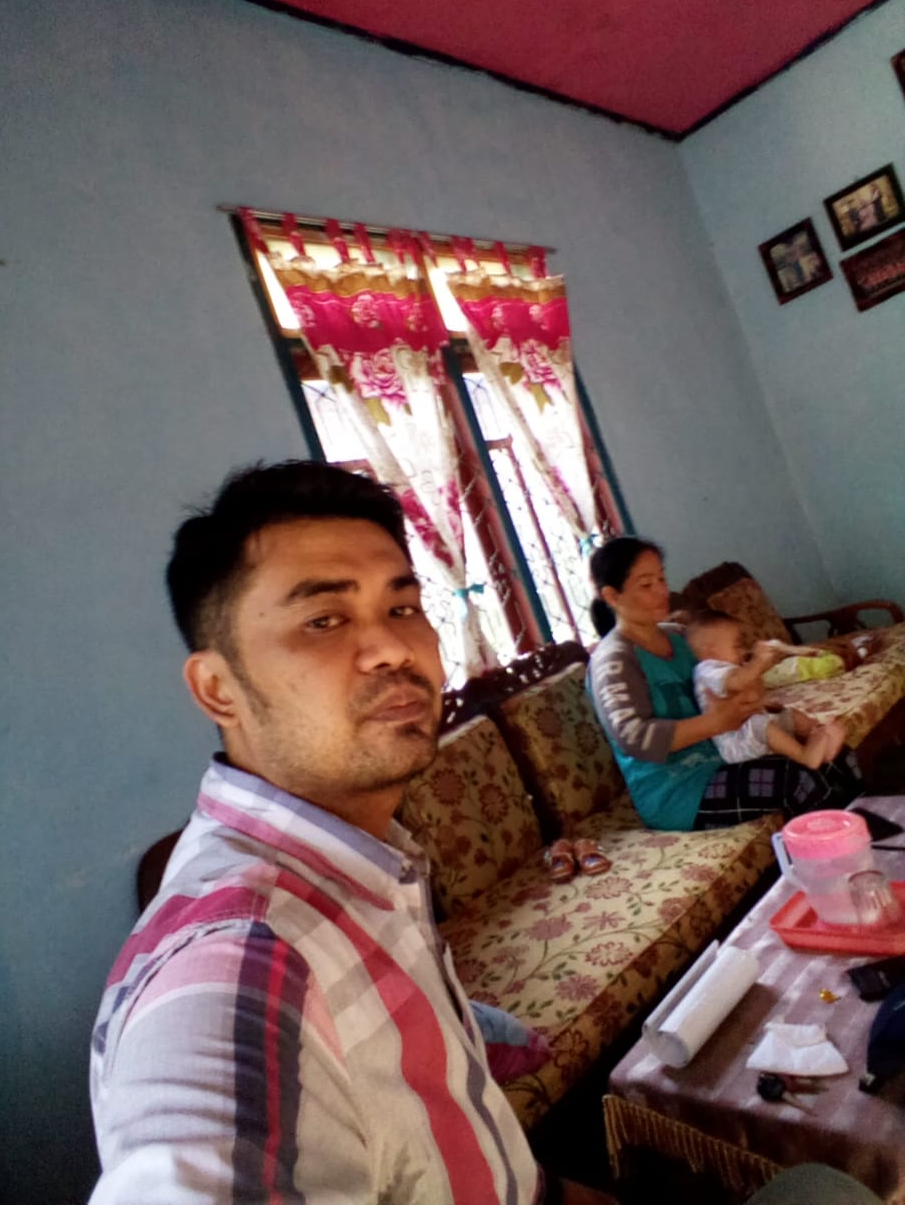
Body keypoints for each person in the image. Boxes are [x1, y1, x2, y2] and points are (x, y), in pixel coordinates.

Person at [89, 460, 614, 1204]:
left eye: (402, 607)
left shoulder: (368, 864)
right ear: (218, 688)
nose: (392, 648)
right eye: (324, 621)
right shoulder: (239, 960)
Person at [586, 537, 860, 831]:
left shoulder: (681, 636)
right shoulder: (613, 661)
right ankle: (841, 854)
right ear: (612, 596)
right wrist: (716, 722)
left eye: (661, 579)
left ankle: (873, 840)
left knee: (838, 755)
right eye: (646, 585)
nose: (662, 591)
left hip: (726, 753)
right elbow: (636, 738)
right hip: (678, 789)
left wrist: (754, 694)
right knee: (798, 778)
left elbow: (731, 675)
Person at [686, 609, 846, 769]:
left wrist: (764, 679)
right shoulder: (707, 669)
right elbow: (736, 683)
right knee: (760, 723)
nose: (742, 651)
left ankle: (819, 740)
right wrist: (758, 662)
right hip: (736, 743)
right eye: (736, 646)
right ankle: (804, 756)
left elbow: (751, 693)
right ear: (712, 651)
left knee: (792, 715)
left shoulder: (730, 668)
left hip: (750, 729)